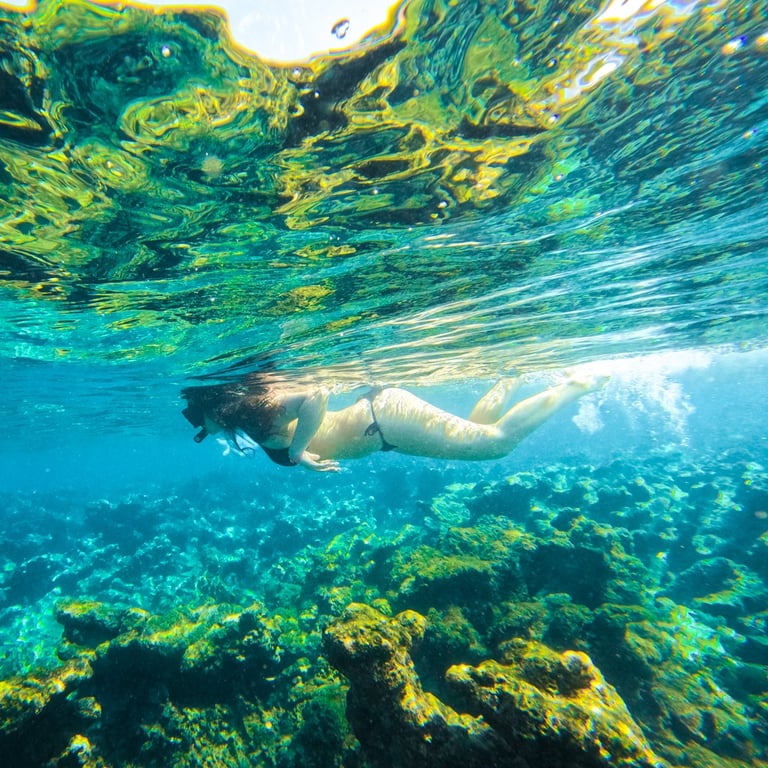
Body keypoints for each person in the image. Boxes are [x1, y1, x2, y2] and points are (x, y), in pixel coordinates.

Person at [181, 372, 607, 472]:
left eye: (194, 416)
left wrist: (296, 452)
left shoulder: (258, 409)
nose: (195, 426)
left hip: (384, 420)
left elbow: (316, 396)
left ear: (213, 406)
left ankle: (574, 386)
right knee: (477, 436)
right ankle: (510, 377)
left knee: (494, 444)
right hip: (384, 429)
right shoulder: (251, 423)